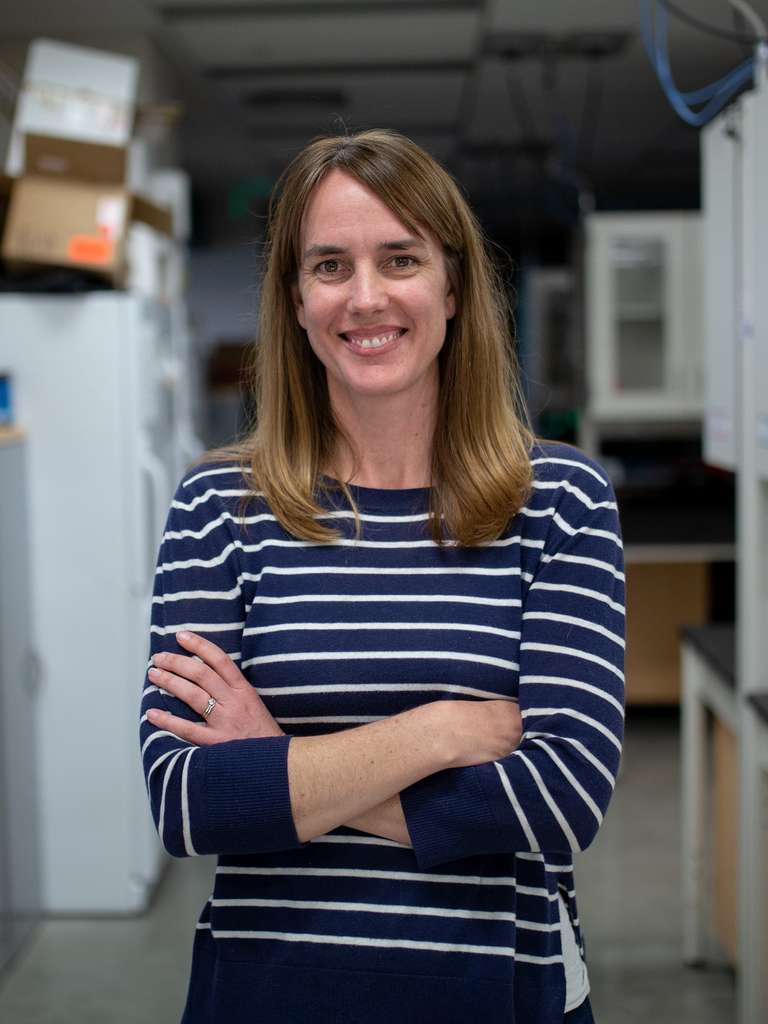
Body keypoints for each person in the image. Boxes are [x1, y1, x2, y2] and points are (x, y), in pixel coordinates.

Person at [140, 129, 624, 1024]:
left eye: (399, 258)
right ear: (294, 298)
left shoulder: (557, 501)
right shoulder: (220, 506)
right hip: (267, 991)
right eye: (329, 265)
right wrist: (439, 733)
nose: (365, 298)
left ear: (452, 283)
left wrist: (275, 764)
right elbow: (187, 803)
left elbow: (560, 801)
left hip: (501, 991)